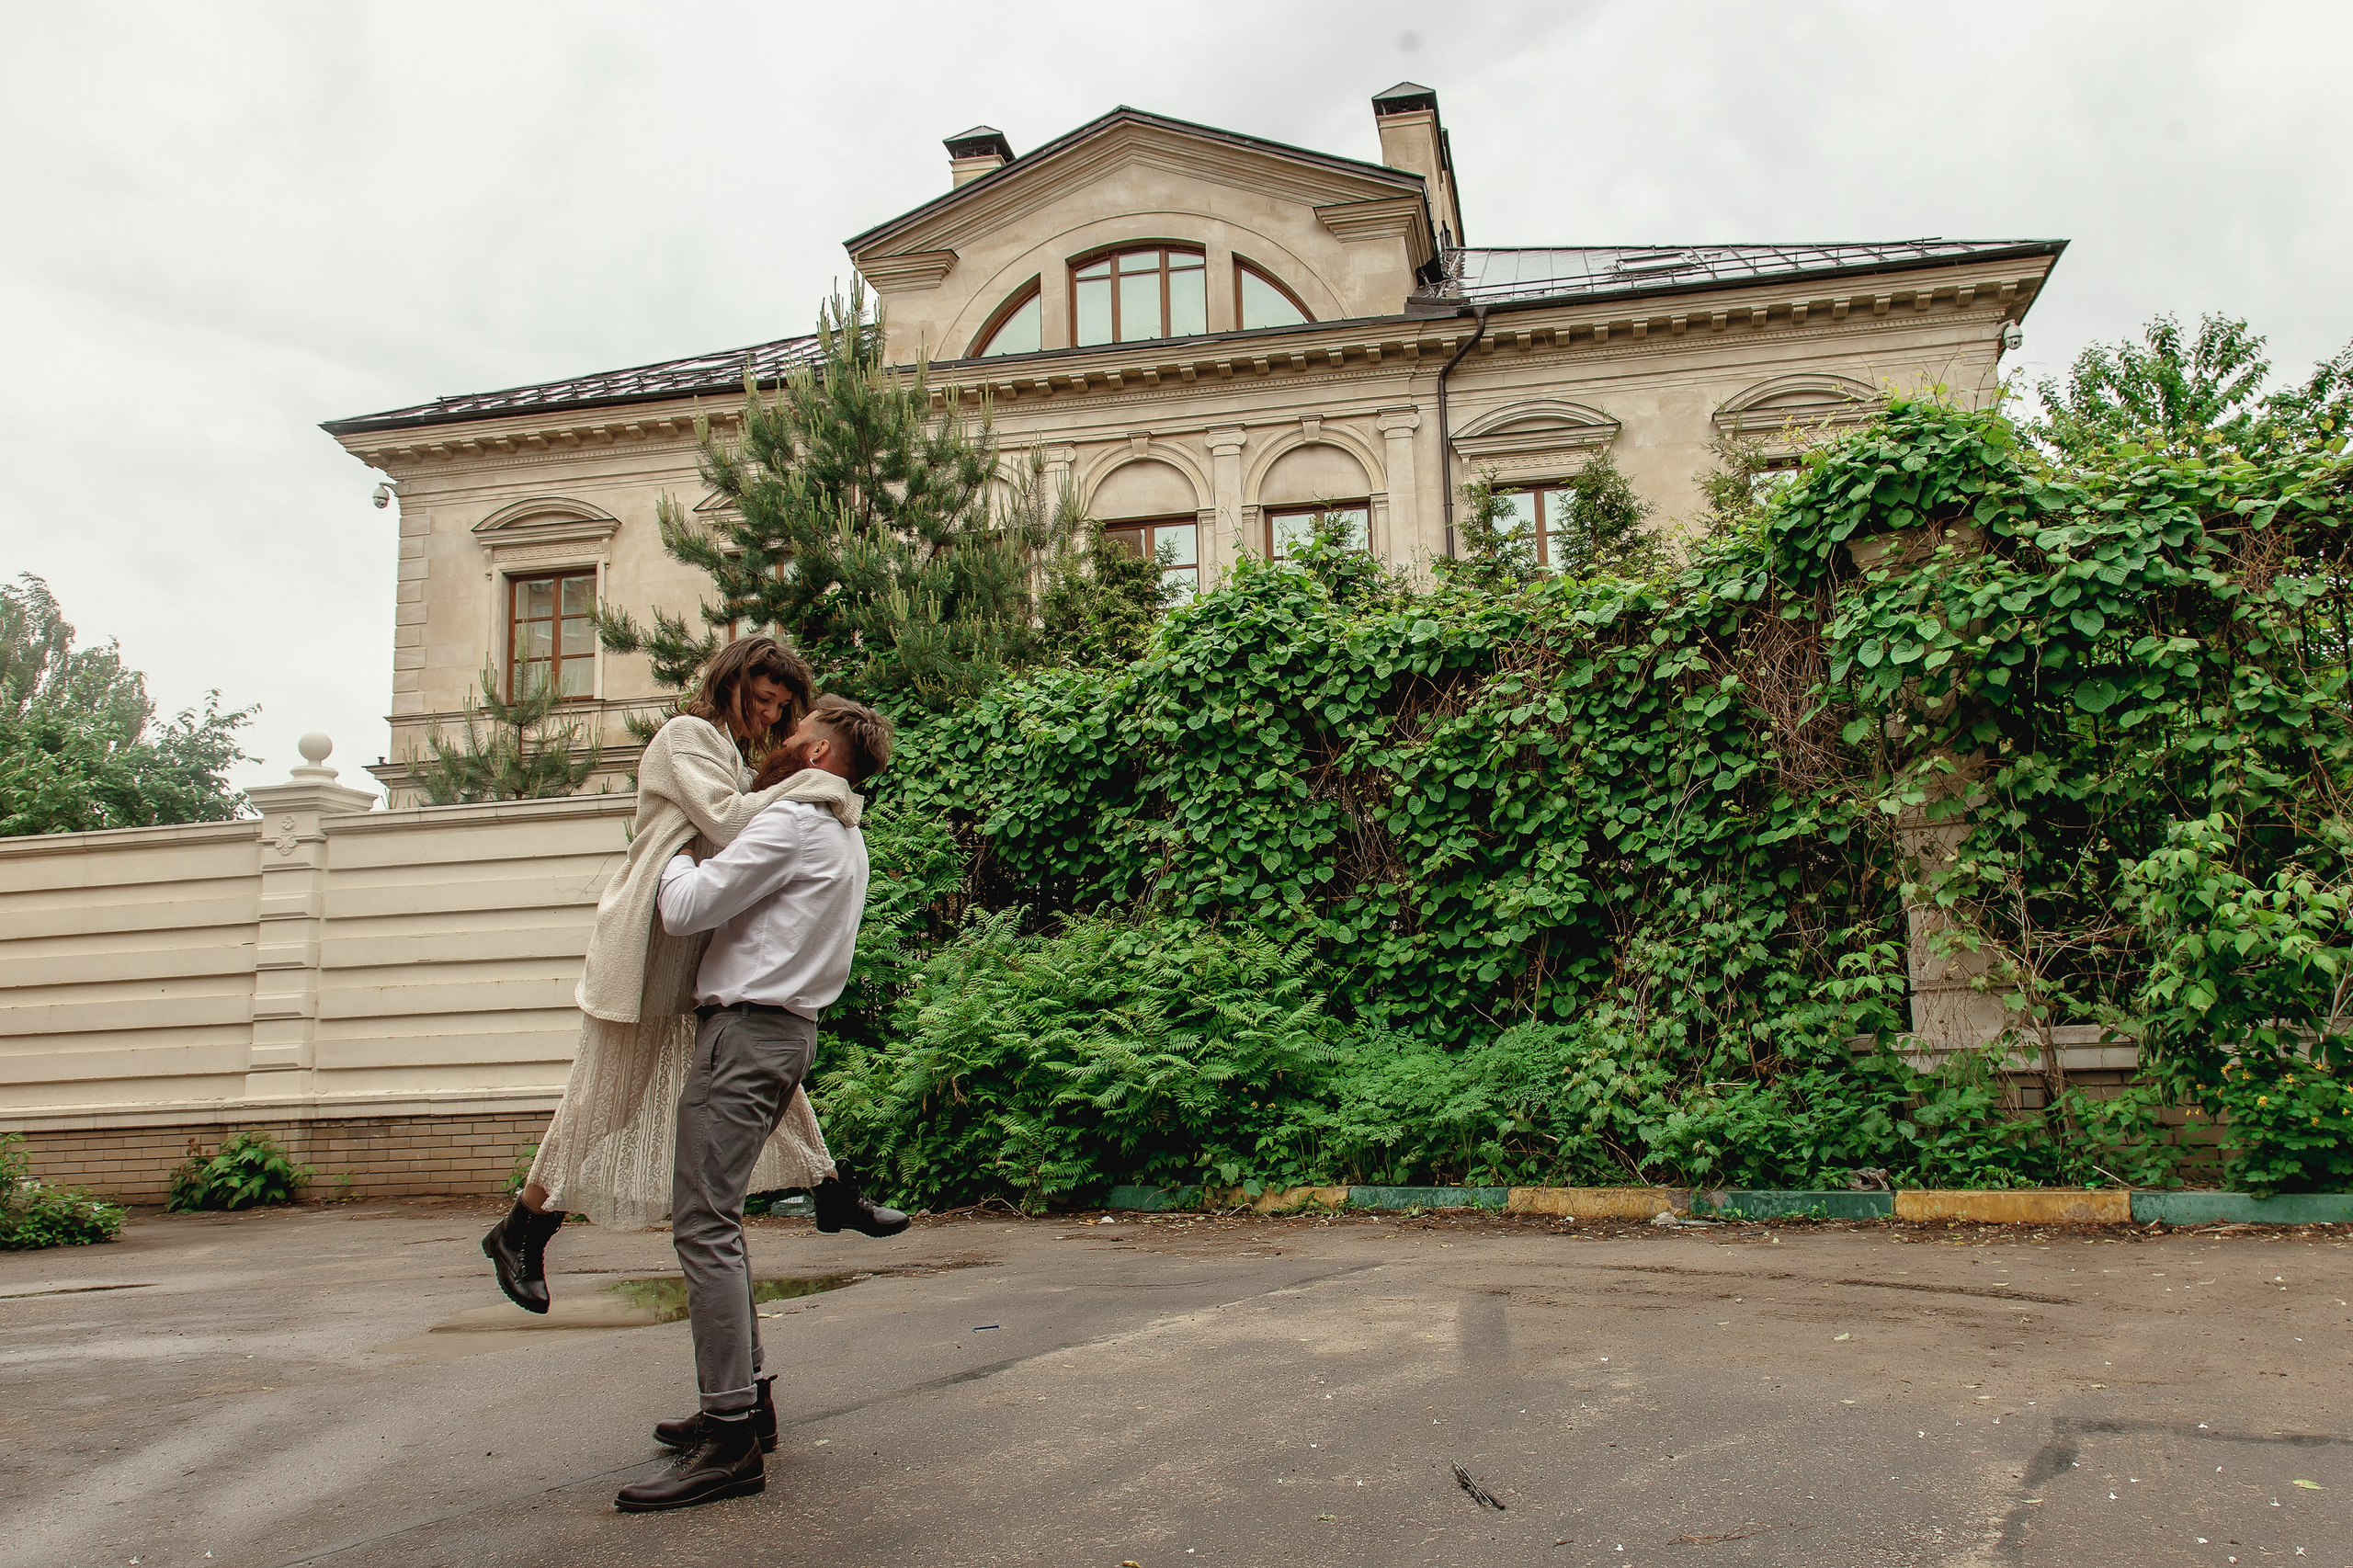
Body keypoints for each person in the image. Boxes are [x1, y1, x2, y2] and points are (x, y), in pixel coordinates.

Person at [482, 641, 904, 1315]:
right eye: (760, 699)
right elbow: (729, 821)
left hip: (695, 942)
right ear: (729, 682)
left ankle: (828, 1188)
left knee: (770, 1073)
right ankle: (522, 1229)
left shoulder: (736, 758)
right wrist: (828, 784)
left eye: (781, 707)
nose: (769, 716)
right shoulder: (687, 736)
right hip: (647, 945)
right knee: (606, 1099)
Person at [614, 695, 895, 1513]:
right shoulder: (845, 831)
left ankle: (730, 1437)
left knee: (703, 1224)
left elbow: (685, 907)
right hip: (779, 1036)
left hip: (745, 1037)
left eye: (794, 734)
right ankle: (747, 1405)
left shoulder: (796, 821)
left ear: (816, 756)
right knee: (720, 1221)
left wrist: (665, 839)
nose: (776, 741)